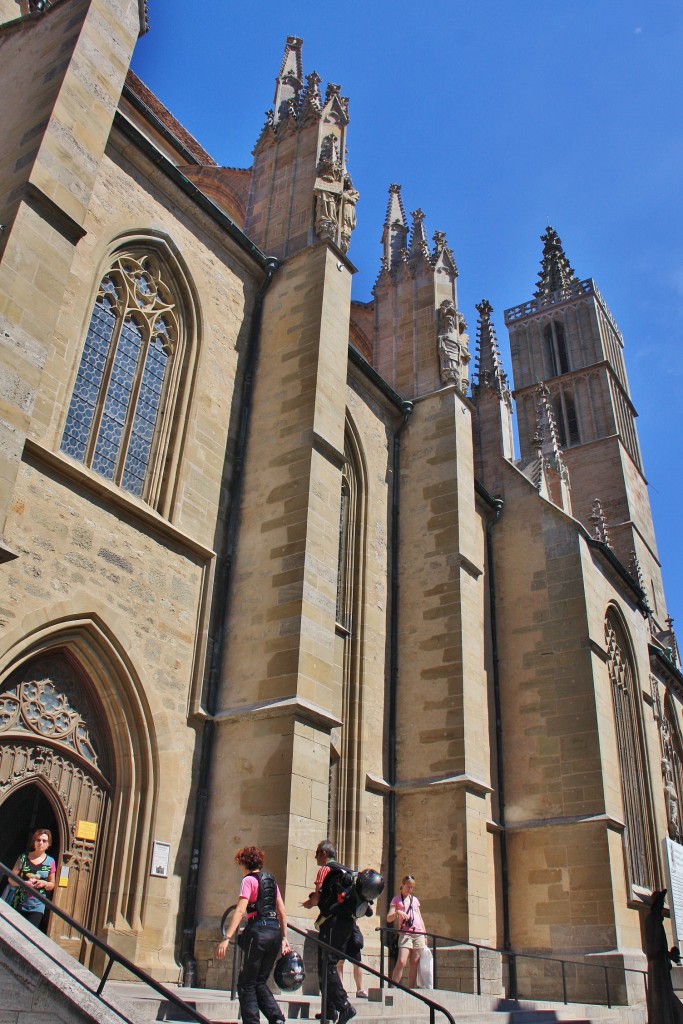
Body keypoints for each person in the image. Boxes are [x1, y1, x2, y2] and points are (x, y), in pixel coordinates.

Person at [216, 846, 291, 1024]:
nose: (240, 866)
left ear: (244, 862)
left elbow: (241, 910)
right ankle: (277, 1018)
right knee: (259, 981)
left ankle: (252, 1021)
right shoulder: (271, 880)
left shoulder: (248, 880)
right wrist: (284, 938)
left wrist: (227, 937)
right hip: (273, 932)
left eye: (240, 863)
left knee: (246, 984)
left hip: (258, 933)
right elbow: (281, 911)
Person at [303, 840, 367, 1000]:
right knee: (343, 960)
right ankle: (332, 1008)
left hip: (331, 922)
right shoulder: (347, 872)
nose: (315, 857)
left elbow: (317, 898)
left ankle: (337, 1005)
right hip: (349, 923)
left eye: (317, 853)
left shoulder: (325, 870)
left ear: (323, 854)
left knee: (327, 965)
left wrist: (309, 903)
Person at [7, 828, 56, 928]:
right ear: (34, 842)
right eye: (38, 840)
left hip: (37, 906)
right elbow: (11, 879)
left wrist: (44, 883)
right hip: (19, 902)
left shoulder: (50, 862)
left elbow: (52, 884)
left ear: (48, 844)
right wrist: (24, 883)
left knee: (30, 934)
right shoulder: (23, 858)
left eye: (44, 841)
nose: (41, 843)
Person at [387, 875, 426, 989]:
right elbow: (389, 918)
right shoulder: (396, 899)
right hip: (405, 934)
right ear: (402, 885)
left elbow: (419, 916)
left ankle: (411, 989)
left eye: (412, 887)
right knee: (402, 961)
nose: (410, 889)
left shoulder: (415, 900)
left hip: (418, 933)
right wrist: (397, 912)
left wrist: (424, 933)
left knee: (415, 962)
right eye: (408, 886)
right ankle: (393, 988)